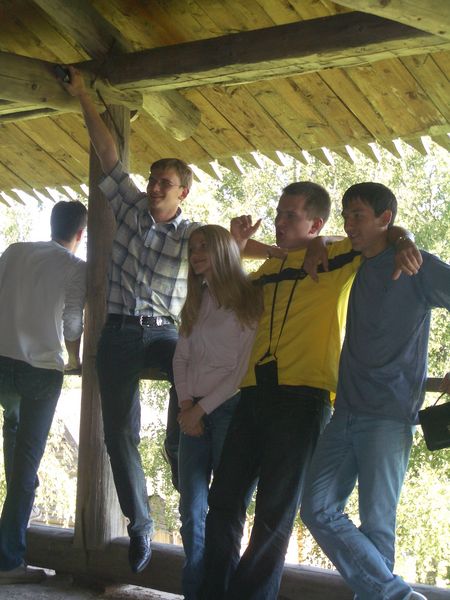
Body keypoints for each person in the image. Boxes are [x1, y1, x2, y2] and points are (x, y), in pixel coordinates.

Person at [62, 66, 275, 574]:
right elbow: (108, 155)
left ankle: (183, 453)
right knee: (117, 432)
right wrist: (84, 97)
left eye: (166, 183)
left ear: (184, 193)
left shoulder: (193, 237)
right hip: (117, 330)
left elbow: (228, 250)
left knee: (186, 406)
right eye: (153, 180)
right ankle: (139, 525)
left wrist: (283, 250)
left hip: (163, 333)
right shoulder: (131, 208)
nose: (155, 187)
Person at [199, 181, 421, 600]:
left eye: (291, 216)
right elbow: (224, 286)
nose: (280, 222)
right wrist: (237, 245)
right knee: (223, 501)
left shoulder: (337, 257)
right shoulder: (266, 272)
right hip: (253, 396)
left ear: (316, 224)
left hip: (303, 399)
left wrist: (405, 238)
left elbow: (380, 232)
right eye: (278, 214)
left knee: (274, 514)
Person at [300, 182, 450, 600]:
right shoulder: (357, 258)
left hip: (389, 414)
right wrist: (318, 244)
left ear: (385, 218)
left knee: (378, 526)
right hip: (345, 410)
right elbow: (320, 241)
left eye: (358, 216)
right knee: (316, 508)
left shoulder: (415, 263)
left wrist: (405, 240)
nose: (349, 224)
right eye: (346, 216)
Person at [174, 225, 263, 600]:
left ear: (224, 251)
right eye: (192, 247)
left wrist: (200, 409)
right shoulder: (196, 300)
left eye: (204, 247)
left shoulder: (248, 298)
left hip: (229, 410)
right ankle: (194, 591)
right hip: (190, 410)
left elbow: (241, 371)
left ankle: (219, 590)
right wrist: (186, 406)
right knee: (191, 511)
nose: (195, 254)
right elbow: (180, 358)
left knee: (224, 510)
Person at [0, 200, 87, 584]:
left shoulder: (14, 251)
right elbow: (72, 323)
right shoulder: (75, 267)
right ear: (81, 233)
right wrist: (75, 358)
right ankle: (8, 561)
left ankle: (11, 530)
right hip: (40, 371)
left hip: (2, 363)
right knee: (26, 466)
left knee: (15, 435)